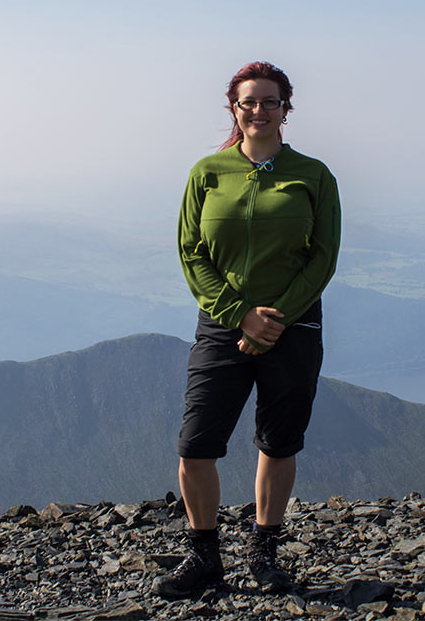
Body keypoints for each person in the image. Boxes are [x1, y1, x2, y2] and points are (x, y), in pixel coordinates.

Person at [153, 62, 341, 598]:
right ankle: (205, 558)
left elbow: (323, 257)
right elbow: (191, 251)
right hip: (222, 325)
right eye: (249, 101)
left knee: (278, 444)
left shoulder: (314, 175)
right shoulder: (207, 172)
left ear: (286, 108)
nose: (259, 110)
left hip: (293, 325)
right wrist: (240, 315)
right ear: (234, 108)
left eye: (270, 101)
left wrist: (274, 318)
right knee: (195, 446)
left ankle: (264, 553)